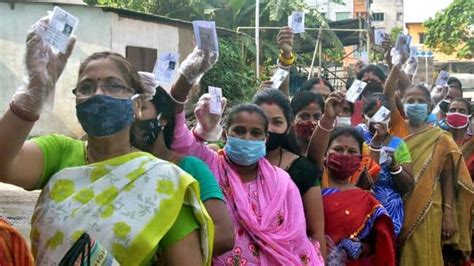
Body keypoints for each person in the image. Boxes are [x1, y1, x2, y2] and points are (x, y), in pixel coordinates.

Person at [0, 18, 212, 265]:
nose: (98, 94)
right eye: (86, 87)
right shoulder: (60, 153)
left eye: (113, 85)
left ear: (137, 106)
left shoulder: (165, 183)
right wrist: (34, 90)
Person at [169, 48, 324, 265]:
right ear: (225, 133)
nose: (247, 138)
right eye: (239, 131)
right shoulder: (210, 166)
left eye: (256, 133)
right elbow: (175, 135)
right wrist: (185, 79)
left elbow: (296, 240)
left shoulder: (282, 182)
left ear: (265, 137)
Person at [132, 72, 235, 256]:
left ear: (163, 118)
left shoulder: (190, 167)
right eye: (127, 110)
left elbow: (224, 235)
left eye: (141, 107)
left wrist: (159, 257)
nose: (133, 117)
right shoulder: (119, 166)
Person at [389, 79, 473, 264]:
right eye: (410, 101)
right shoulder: (395, 130)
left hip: (429, 205)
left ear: (429, 106)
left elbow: (448, 178)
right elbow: (388, 94)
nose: (415, 104)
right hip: (395, 205)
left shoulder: (440, 137)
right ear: (402, 103)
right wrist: (395, 65)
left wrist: (448, 214)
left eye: (420, 101)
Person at [307, 91, 396, 265]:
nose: (344, 155)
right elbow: (314, 154)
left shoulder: (366, 200)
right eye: (338, 150)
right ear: (326, 155)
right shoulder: (315, 184)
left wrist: (361, 248)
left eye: (351, 152)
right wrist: (327, 118)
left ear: (360, 160)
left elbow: (379, 244)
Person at [252, 88, 327, 259]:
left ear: (288, 126)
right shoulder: (229, 164)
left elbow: (316, 231)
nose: (268, 129)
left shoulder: (303, 170)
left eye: (277, 122)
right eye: (262, 121)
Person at [356, 93, 414, 236]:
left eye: (382, 115)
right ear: (363, 117)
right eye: (371, 115)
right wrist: (374, 145)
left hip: (389, 210)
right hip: (360, 205)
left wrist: (393, 165)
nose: (377, 120)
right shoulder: (355, 137)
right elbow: (365, 180)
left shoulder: (397, 144)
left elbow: (408, 186)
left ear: (390, 118)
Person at [290, 90, 325, 156]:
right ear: (292, 119)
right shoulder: (283, 153)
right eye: (304, 117)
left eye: (317, 117)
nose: (312, 122)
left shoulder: (329, 151)